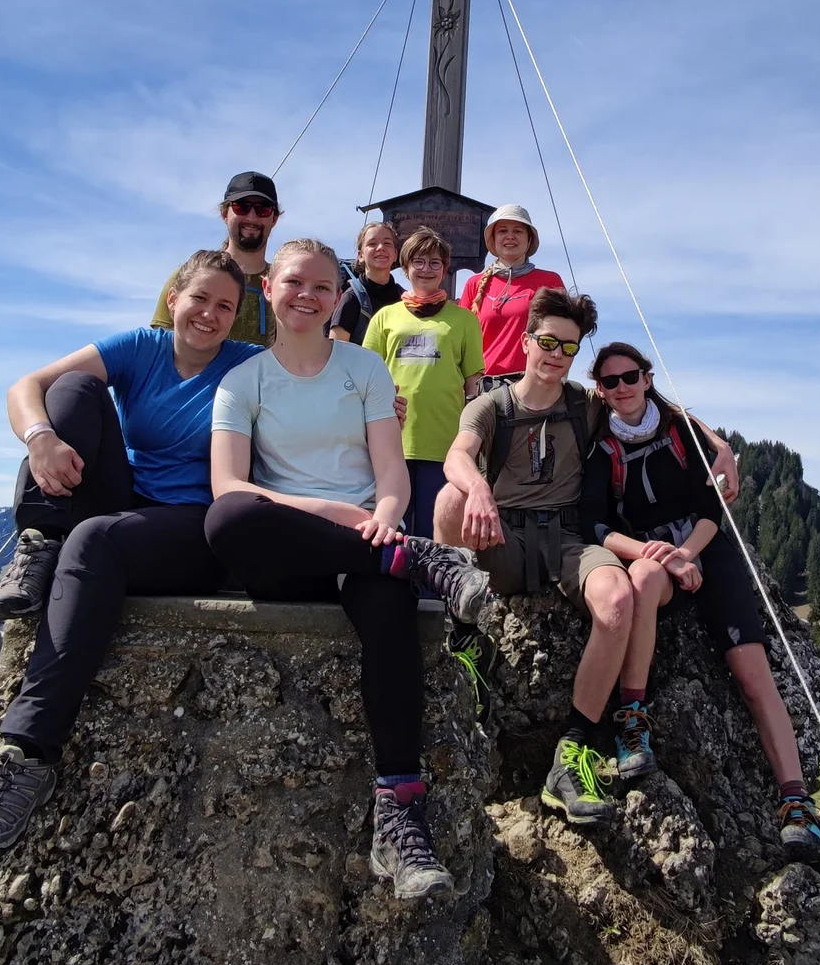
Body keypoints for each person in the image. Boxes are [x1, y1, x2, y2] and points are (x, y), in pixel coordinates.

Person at [0, 250, 261, 858]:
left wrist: (377, 407)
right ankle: (38, 544)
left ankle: (27, 757)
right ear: (175, 299)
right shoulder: (141, 347)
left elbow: (319, 383)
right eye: (201, 299)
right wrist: (40, 441)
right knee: (71, 390)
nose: (211, 315)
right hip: (124, 498)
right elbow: (25, 387)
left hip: (195, 525)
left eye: (226, 306)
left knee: (93, 541)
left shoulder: (249, 365)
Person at [204, 237, 495, 900]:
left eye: (321, 287)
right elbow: (229, 486)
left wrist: (386, 518)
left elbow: (390, 473)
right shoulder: (242, 380)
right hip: (295, 548)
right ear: (269, 289)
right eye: (293, 283)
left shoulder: (363, 368)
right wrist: (334, 512)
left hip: (370, 536)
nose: (306, 295)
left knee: (387, 607)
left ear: (339, 297)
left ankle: (399, 817)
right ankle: (417, 559)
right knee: (228, 521)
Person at [583, 341, 820, 853]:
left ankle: (796, 801)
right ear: (600, 392)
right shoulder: (602, 447)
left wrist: (687, 552)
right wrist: (667, 558)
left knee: (752, 673)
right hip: (652, 555)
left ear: (648, 378)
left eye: (631, 377)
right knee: (644, 578)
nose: (622, 388)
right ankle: (633, 722)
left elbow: (712, 508)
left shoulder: (679, 432)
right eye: (610, 382)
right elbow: (595, 525)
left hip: (709, 550)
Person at [436, 286, 650, 827]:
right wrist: (479, 491)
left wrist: (718, 448)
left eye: (570, 347)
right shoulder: (492, 404)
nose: (556, 354)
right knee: (449, 499)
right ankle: (460, 636)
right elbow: (457, 455)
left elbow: (652, 406)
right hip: (502, 537)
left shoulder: (585, 404)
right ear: (528, 340)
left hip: (567, 540)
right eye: (548, 341)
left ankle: (572, 750)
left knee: (618, 597)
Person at [360, 227, 485, 539]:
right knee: (392, 527)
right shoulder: (384, 318)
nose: (426, 269)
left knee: (434, 528)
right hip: (391, 440)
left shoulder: (465, 319)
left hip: (444, 439)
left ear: (444, 270)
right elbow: (365, 375)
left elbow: (474, 383)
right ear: (405, 266)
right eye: (418, 261)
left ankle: (431, 586)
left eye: (435, 263)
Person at [151, 171, 283, 346]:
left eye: (263, 210)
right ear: (224, 213)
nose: (252, 217)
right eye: (241, 207)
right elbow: (160, 347)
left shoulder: (285, 287)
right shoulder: (188, 276)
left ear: (274, 218)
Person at [459, 204, 567, 389]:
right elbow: (460, 341)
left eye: (518, 231)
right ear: (493, 239)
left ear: (529, 239)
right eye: (502, 231)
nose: (510, 236)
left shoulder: (550, 281)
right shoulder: (474, 284)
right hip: (484, 388)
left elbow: (564, 336)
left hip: (533, 387)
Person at [330, 220, 404, 344]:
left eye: (387, 243)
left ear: (395, 254)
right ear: (361, 255)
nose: (381, 248)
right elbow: (335, 352)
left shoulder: (404, 298)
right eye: (372, 243)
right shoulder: (351, 298)